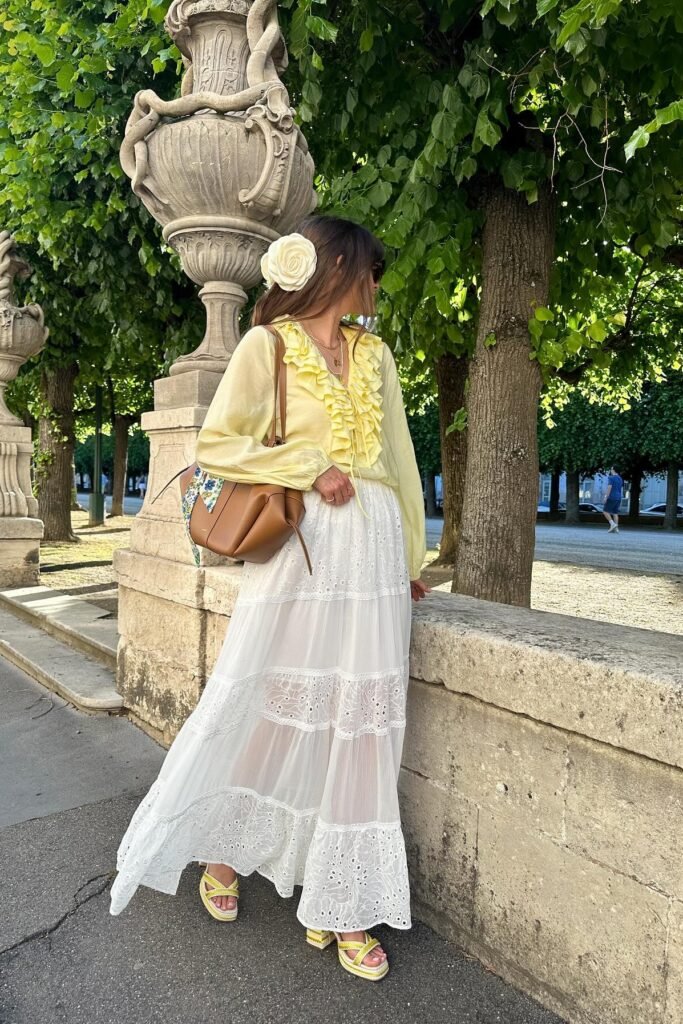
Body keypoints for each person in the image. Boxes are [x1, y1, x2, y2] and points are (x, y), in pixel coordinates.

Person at [109, 215, 432, 982]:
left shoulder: (375, 355)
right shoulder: (267, 347)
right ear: (336, 269)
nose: (375, 286)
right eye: (369, 271)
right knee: (268, 700)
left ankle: (342, 902)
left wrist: (413, 556)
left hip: (375, 547)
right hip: (304, 547)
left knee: (364, 720)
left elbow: (402, 462)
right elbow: (220, 444)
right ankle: (222, 847)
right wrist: (308, 462)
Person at [602, 465, 623, 533]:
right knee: (615, 513)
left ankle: (612, 524)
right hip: (618, 497)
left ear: (613, 470)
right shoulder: (620, 478)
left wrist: (606, 497)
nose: (610, 470)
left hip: (612, 497)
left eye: (611, 469)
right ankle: (616, 529)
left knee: (605, 511)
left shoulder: (611, 478)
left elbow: (609, 487)